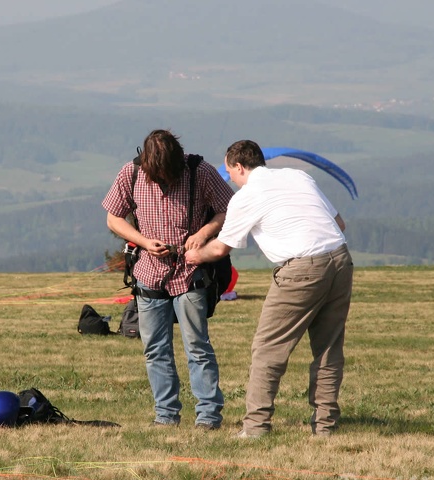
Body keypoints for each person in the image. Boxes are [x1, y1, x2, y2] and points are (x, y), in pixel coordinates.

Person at [185, 140, 353, 438]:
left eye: (230, 172)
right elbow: (339, 223)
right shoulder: (298, 176)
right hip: (340, 260)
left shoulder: (247, 196)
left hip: (300, 268)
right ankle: (326, 425)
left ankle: (255, 426)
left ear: (239, 167)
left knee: (268, 350)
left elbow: (221, 249)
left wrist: (194, 254)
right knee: (328, 348)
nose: (231, 179)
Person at [102, 129, 234, 430]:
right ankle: (165, 416)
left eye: (168, 175)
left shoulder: (200, 171)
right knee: (155, 349)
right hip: (149, 274)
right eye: (157, 175)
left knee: (197, 346)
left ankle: (209, 417)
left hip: (190, 274)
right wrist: (144, 242)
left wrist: (201, 234)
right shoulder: (131, 172)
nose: (163, 180)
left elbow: (229, 209)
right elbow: (113, 217)